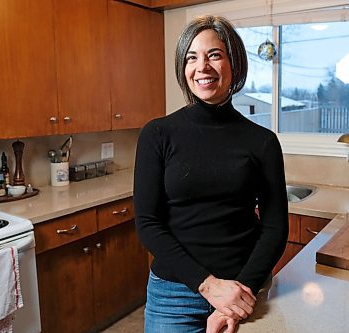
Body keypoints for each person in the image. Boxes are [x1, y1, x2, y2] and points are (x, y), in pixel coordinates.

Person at [133, 15, 289, 333]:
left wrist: (238, 294)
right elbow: (148, 224)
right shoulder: (158, 134)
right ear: (183, 67)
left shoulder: (262, 142)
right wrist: (208, 286)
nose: (202, 67)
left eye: (214, 55)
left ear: (234, 63)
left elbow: (275, 228)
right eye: (192, 57)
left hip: (243, 288)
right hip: (173, 298)